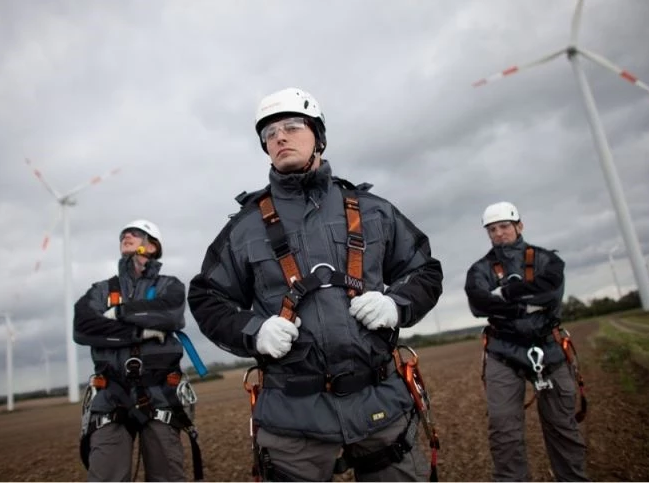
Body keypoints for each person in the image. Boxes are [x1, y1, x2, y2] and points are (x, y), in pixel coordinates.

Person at [188, 87, 444, 481]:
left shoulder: (374, 211)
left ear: (319, 136)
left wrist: (396, 304)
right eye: (269, 134)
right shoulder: (243, 229)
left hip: (380, 400)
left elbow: (424, 270)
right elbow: (207, 297)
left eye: (292, 126)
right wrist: (254, 331)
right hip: (292, 415)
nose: (280, 137)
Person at [464, 202, 588, 482]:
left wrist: (504, 294)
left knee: (562, 427)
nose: (499, 233)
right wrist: (523, 306)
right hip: (502, 352)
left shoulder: (549, 261)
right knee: (503, 431)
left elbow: (550, 292)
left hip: (550, 349)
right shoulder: (480, 269)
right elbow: (478, 302)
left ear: (519, 226)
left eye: (504, 226)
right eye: (492, 229)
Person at [74, 219, 196, 482]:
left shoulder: (170, 286)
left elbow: (169, 315)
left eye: (136, 233)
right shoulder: (101, 290)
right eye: (124, 234)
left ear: (152, 247)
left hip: (160, 395)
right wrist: (138, 333)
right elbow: (82, 328)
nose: (126, 235)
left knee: (168, 477)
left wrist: (117, 313)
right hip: (110, 396)